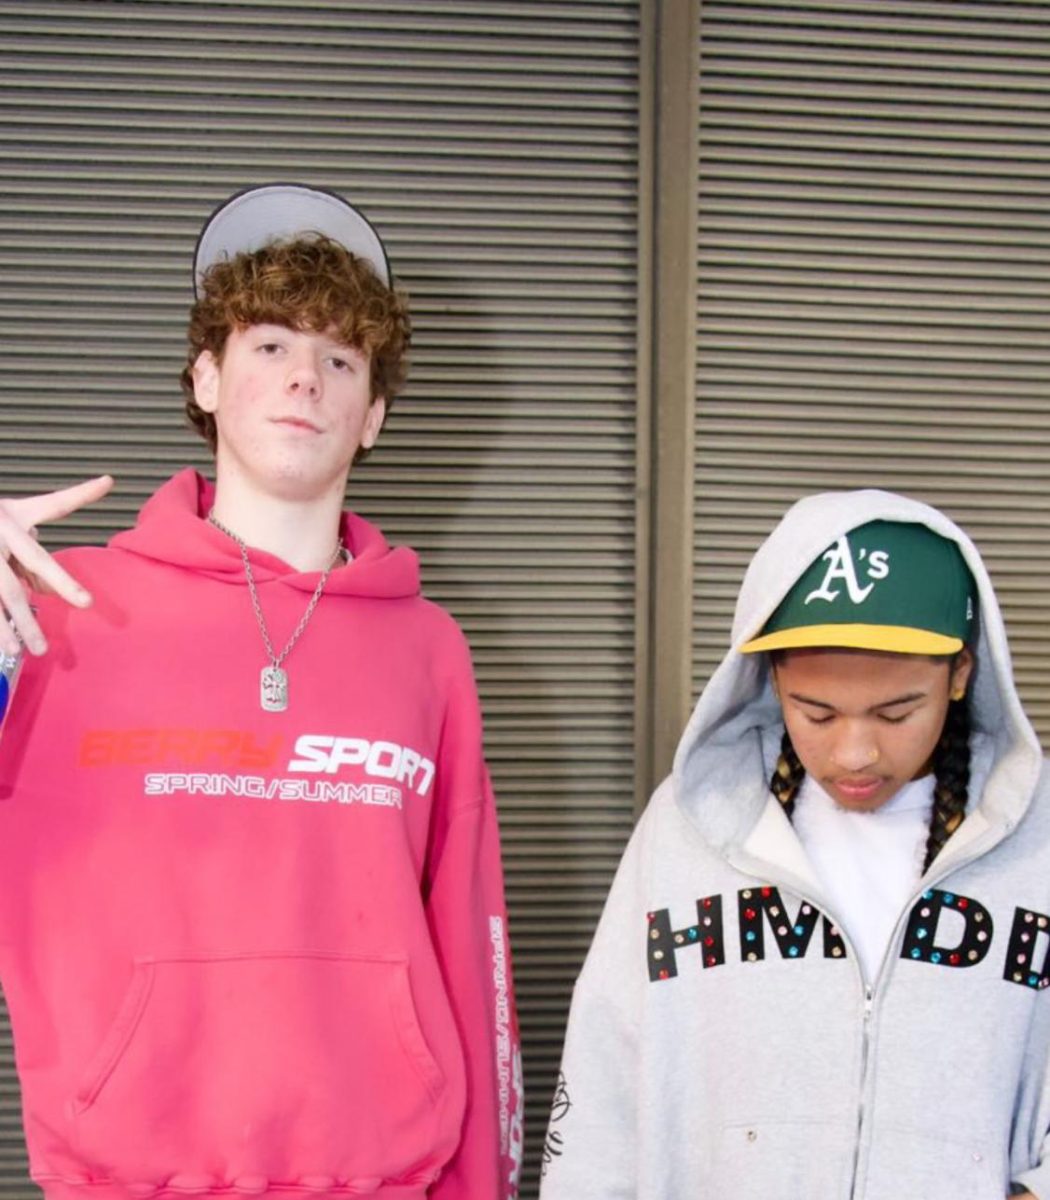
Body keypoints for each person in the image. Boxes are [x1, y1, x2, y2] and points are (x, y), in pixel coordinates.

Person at [0, 184, 523, 1200]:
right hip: (127, 1179)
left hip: (383, 1179)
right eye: (271, 346)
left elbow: (470, 937)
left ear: (371, 415)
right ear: (205, 379)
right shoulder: (51, 611)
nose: (305, 381)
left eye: (341, 360)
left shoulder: (427, 648)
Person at [539, 489, 1050, 1200]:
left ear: (960, 673)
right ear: (769, 678)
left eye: (898, 711)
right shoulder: (688, 831)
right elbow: (604, 1081)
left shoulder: (1037, 839)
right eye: (817, 712)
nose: (856, 752)